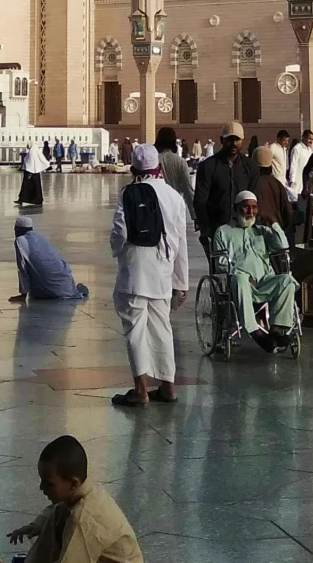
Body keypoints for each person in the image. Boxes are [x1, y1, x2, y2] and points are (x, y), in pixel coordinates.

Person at [7, 435, 172, 563]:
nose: (42, 487)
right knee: (56, 514)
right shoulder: (80, 492)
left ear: (74, 483)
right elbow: (54, 509)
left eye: (49, 483)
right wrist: (37, 524)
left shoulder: (85, 518)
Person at [110, 144, 190, 408]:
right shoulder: (173, 196)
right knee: (162, 329)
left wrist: (118, 251)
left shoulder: (128, 193)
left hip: (135, 272)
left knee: (135, 330)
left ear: (134, 168)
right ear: (159, 167)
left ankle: (141, 390)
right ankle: (168, 386)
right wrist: (181, 283)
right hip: (162, 274)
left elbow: (120, 231)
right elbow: (181, 243)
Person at [211, 192, 297, 352]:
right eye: (246, 207)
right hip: (242, 285)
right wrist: (244, 276)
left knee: (287, 280)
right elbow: (221, 263)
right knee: (240, 278)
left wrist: (273, 223)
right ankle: (255, 331)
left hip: (265, 282)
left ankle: (277, 328)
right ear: (236, 209)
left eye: (254, 207)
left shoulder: (262, 231)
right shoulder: (223, 232)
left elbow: (283, 247)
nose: (250, 211)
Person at [192, 127, 247, 251]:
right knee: (219, 268)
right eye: (229, 139)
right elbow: (200, 200)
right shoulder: (208, 166)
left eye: (237, 140)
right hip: (216, 229)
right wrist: (205, 228)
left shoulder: (249, 167)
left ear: (242, 141)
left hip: (244, 232)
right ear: (222, 140)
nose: (233, 144)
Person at [11, 217, 89, 303]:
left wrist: (23, 295)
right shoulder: (40, 237)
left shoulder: (20, 241)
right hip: (66, 282)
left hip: (49, 291)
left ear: (17, 229)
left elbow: (22, 269)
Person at [153, 128, 193, 212]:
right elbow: (188, 190)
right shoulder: (180, 162)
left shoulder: (153, 161)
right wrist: (195, 215)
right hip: (174, 207)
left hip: (156, 208)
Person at [18, 139, 49, 209]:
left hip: (31, 172)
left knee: (29, 186)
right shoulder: (34, 149)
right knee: (33, 186)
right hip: (33, 172)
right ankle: (27, 199)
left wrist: (47, 164)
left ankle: (30, 199)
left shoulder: (33, 151)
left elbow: (32, 161)